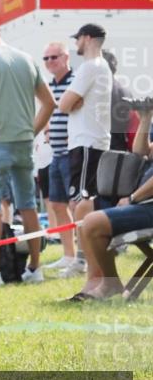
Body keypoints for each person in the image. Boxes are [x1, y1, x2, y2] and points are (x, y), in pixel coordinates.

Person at [0, 22, 55, 287]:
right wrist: (31, 131)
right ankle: (35, 267)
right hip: (23, 143)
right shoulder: (27, 59)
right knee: (27, 204)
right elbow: (49, 102)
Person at [71, 104, 153, 300]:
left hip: (146, 203)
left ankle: (110, 283)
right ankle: (94, 280)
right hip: (142, 202)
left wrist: (133, 198)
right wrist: (145, 118)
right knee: (85, 208)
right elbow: (141, 151)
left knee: (92, 222)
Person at [59, 24, 114, 278]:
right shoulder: (101, 67)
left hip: (87, 143)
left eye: (78, 39)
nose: (76, 44)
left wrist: (72, 102)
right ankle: (85, 258)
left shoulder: (90, 67)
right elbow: (70, 103)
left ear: (87, 38)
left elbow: (64, 104)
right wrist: (73, 102)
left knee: (81, 200)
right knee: (82, 199)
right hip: (91, 141)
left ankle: (82, 260)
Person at [41, 41, 77, 272]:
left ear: (66, 57)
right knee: (56, 204)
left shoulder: (75, 82)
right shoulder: (50, 85)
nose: (49, 62)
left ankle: (81, 256)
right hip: (56, 153)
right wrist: (47, 129)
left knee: (76, 206)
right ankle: (68, 254)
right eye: (46, 58)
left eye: (54, 57)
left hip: (72, 153)